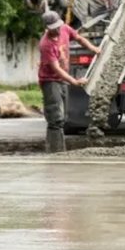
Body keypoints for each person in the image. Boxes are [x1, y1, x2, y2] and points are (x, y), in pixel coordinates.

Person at [39, 11, 87, 153]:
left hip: (62, 80)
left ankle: (58, 150)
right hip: (51, 81)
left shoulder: (65, 29)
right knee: (55, 119)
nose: (57, 30)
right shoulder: (45, 44)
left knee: (63, 118)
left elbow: (78, 38)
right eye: (53, 28)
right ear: (47, 28)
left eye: (58, 26)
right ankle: (56, 151)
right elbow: (56, 69)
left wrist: (94, 49)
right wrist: (74, 81)